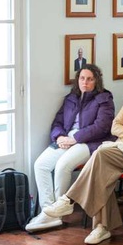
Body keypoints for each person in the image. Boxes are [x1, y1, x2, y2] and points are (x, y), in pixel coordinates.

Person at [43, 69, 123, 243]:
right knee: (102, 172)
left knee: (100, 153)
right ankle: (101, 227)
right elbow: (115, 127)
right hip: (121, 148)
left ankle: (70, 199)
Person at [25, 65, 115, 233]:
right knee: (40, 165)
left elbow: (102, 127)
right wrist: (59, 137)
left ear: (97, 81)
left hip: (89, 142)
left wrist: (75, 138)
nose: (85, 82)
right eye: (82, 78)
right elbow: (57, 122)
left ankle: (59, 212)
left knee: (62, 166)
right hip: (66, 139)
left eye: (89, 79)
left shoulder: (104, 98)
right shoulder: (71, 98)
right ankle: (48, 212)